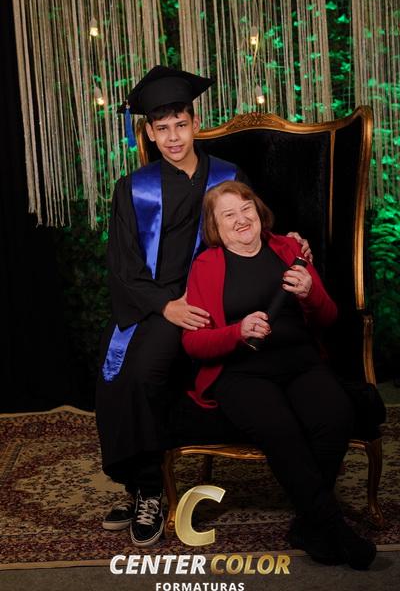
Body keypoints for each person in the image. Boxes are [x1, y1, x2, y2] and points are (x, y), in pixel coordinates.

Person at [96, 66, 312, 547]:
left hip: (218, 296)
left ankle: (148, 487)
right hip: (162, 302)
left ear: (196, 123)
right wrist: (166, 307)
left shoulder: (228, 175)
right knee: (130, 373)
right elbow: (124, 266)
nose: (173, 137)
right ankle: (145, 487)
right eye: (162, 128)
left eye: (181, 125)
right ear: (149, 133)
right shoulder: (133, 188)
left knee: (151, 371)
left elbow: (250, 226)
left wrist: (289, 241)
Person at [182, 180, 376, 570]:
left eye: (246, 209)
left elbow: (329, 316)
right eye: (228, 215)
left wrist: (310, 292)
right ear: (215, 227)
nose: (241, 220)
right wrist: (237, 331)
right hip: (240, 372)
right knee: (281, 429)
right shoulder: (206, 266)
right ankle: (333, 527)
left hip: (300, 361)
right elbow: (193, 344)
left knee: (336, 414)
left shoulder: (288, 248)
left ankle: (307, 526)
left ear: (259, 211)